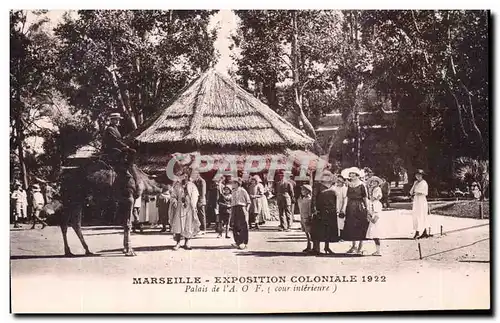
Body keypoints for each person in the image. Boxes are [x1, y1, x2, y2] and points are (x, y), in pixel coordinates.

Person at [169, 167, 200, 250]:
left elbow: (195, 195)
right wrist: (174, 200)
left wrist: (192, 204)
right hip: (179, 208)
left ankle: (187, 242)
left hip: (189, 207)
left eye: (186, 176)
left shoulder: (191, 185)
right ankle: (178, 242)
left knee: (188, 224)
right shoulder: (177, 185)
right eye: (183, 176)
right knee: (178, 225)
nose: (184, 177)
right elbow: (173, 195)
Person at [341, 167, 369, 255]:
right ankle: (353, 246)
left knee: (361, 225)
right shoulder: (348, 185)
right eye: (351, 175)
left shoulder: (362, 185)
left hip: (360, 206)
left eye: (354, 175)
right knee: (351, 226)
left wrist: (367, 208)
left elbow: (365, 197)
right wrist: (344, 208)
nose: (352, 177)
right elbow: (347, 197)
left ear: (357, 175)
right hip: (350, 207)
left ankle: (360, 247)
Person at [311, 171, 339, 255]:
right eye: (324, 176)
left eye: (328, 176)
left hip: (331, 211)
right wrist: (314, 209)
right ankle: (316, 249)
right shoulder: (318, 186)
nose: (326, 177)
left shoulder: (334, 187)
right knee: (318, 230)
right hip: (320, 211)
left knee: (328, 230)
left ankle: (327, 247)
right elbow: (314, 198)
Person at [230, 178, 251, 250]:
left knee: (243, 225)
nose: (232, 184)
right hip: (234, 208)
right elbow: (232, 202)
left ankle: (244, 242)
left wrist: (246, 210)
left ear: (237, 183)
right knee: (234, 225)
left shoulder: (243, 190)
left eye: (233, 183)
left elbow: (248, 201)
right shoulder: (233, 191)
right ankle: (238, 242)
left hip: (241, 208)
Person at [366, 176, 384, 256]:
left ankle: (379, 251)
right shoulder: (372, 201)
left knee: (376, 234)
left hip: (375, 217)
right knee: (374, 235)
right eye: (372, 182)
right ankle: (377, 250)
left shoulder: (377, 202)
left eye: (375, 182)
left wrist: (370, 217)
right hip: (373, 213)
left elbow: (376, 214)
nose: (373, 183)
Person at [409, 169, 430, 239]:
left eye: (419, 175)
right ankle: (418, 231)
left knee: (421, 215)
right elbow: (411, 192)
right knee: (415, 215)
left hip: (421, 200)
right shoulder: (416, 183)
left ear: (422, 175)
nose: (418, 176)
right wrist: (414, 185)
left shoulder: (424, 183)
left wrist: (416, 192)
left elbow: (424, 192)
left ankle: (423, 231)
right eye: (417, 175)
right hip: (416, 200)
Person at [297, 184, 313, 252]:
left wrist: (309, 217)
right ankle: (308, 245)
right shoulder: (302, 198)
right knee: (306, 233)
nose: (302, 191)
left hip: (307, 217)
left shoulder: (309, 199)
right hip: (303, 217)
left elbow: (309, 209)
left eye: (304, 190)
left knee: (309, 232)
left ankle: (310, 246)